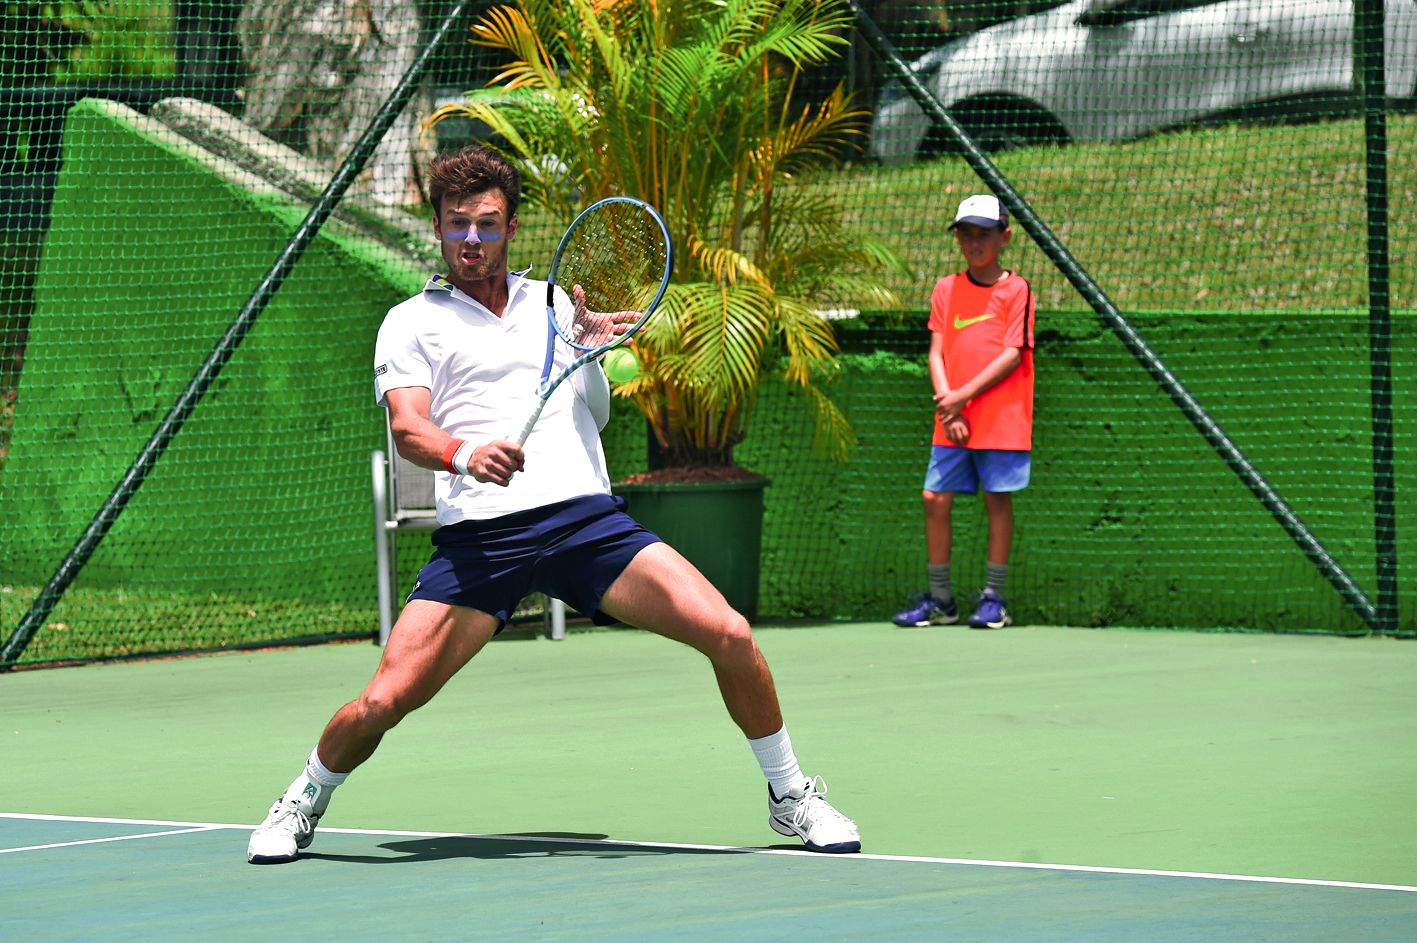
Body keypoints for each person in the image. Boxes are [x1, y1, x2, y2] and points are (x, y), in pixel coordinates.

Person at [246, 145, 860, 863]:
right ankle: (303, 798)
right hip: (482, 540)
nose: (470, 240)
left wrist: (588, 354)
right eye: (455, 225)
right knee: (385, 700)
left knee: (727, 632)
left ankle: (789, 795)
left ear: (511, 227)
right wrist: (465, 454)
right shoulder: (409, 321)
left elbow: (589, 416)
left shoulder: (555, 303)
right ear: (436, 227)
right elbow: (409, 428)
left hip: (584, 524)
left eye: (486, 223)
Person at [892, 193, 1036, 631]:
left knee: (997, 501)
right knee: (934, 499)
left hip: (1002, 421)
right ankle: (941, 602)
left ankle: (995, 599)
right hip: (950, 420)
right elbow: (937, 353)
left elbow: (1012, 354)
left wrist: (962, 397)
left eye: (984, 234)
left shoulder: (1017, 289)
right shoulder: (946, 288)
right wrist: (948, 404)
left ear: (1004, 238)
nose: (974, 243)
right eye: (966, 234)